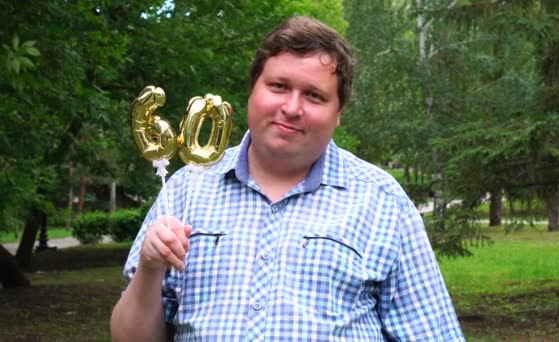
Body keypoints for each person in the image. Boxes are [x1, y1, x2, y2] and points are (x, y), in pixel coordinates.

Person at [111, 16, 464, 341]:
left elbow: (433, 333)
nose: (292, 108)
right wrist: (150, 267)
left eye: (314, 95)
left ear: (338, 113)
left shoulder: (382, 201)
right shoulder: (185, 190)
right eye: (279, 86)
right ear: (252, 91)